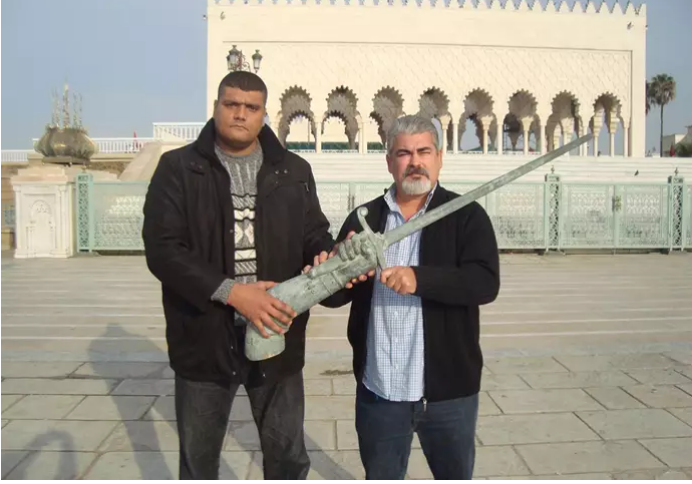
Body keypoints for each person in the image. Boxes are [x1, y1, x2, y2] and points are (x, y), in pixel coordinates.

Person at [142, 70, 336, 479]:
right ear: (216, 107)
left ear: (265, 114)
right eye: (231, 104)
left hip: (277, 332)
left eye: (251, 107)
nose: (240, 114)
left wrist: (323, 253)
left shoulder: (294, 170)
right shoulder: (179, 168)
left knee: (287, 458)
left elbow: (314, 233)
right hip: (204, 338)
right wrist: (233, 293)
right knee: (199, 462)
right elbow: (163, 249)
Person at [320, 114, 501, 480]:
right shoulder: (366, 218)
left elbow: (484, 282)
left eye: (424, 151)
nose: (415, 161)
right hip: (380, 392)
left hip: (449, 395)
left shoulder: (465, 215)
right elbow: (334, 297)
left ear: (439, 157)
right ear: (390, 161)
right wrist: (331, 272)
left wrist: (420, 279)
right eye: (404, 153)